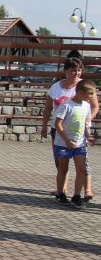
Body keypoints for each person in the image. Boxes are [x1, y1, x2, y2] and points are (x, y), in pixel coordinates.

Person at [40, 51, 99, 201]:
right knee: (61, 162)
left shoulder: (84, 86)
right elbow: (48, 108)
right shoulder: (55, 87)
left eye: (79, 70)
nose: (76, 73)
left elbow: (94, 106)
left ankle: (87, 190)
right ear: (65, 70)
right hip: (59, 131)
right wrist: (44, 125)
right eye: (73, 70)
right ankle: (62, 189)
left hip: (79, 130)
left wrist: (88, 120)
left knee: (83, 162)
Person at [53, 79, 96, 209]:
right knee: (63, 168)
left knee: (82, 169)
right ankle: (60, 194)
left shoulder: (86, 106)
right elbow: (58, 124)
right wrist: (67, 140)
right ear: (80, 92)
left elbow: (84, 124)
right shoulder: (66, 105)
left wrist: (88, 136)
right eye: (90, 93)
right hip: (63, 143)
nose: (91, 97)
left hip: (79, 144)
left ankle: (76, 196)